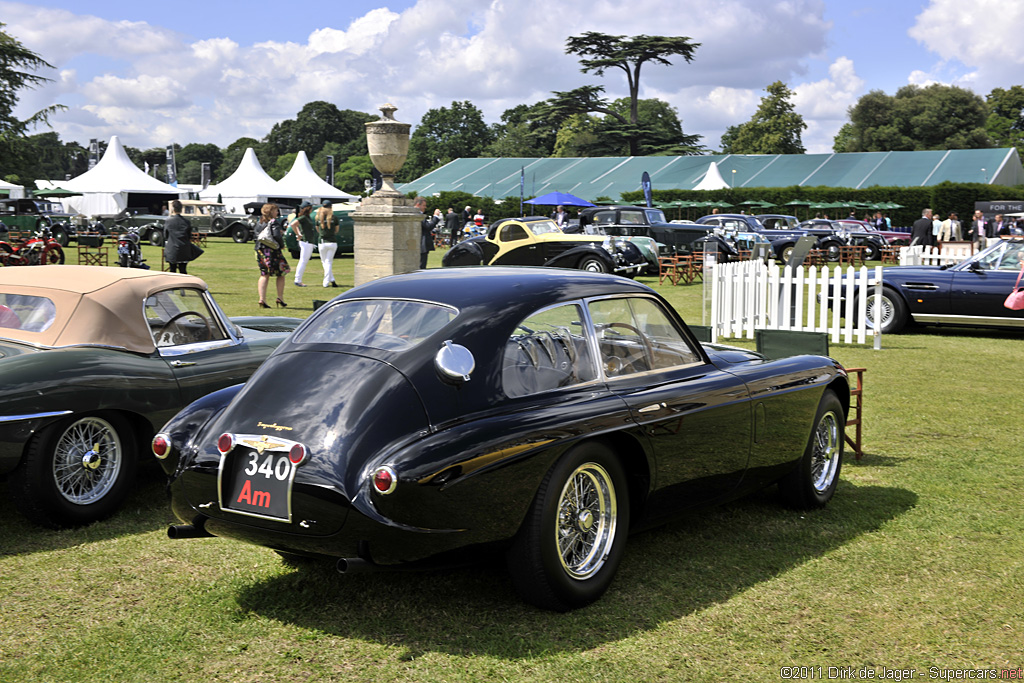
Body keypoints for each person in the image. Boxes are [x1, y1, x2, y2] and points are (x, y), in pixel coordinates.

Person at [255, 203, 290, 308]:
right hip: (273, 251)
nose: (277, 212)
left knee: (264, 274)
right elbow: (277, 236)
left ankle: (262, 299)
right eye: (276, 210)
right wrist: (282, 245)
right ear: (271, 212)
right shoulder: (274, 222)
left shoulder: (259, 222)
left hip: (260, 250)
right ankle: (280, 297)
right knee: (281, 273)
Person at [290, 200, 317, 287]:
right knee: (303, 261)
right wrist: (298, 234)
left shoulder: (307, 217)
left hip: (308, 241)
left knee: (303, 261)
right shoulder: (304, 217)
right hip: (306, 241)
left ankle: (298, 279)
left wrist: (299, 233)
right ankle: (298, 280)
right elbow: (293, 224)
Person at [163, 199, 193, 274]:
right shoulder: (186, 222)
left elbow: (165, 235)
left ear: (173, 209)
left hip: (172, 249)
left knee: (172, 271)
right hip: (184, 249)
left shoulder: (168, 221)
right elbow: (189, 236)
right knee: (183, 270)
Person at [316, 200, 338, 288]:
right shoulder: (334, 217)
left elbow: (317, 229)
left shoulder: (318, 218)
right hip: (332, 242)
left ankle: (326, 282)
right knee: (328, 262)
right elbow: (336, 230)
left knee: (325, 262)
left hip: (322, 242)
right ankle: (331, 280)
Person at [415, 197, 441, 269]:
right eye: (424, 205)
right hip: (421, 245)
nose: (425, 207)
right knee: (421, 266)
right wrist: (435, 216)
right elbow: (428, 226)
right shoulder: (418, 215)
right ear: (418, 205)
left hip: (418, 244)